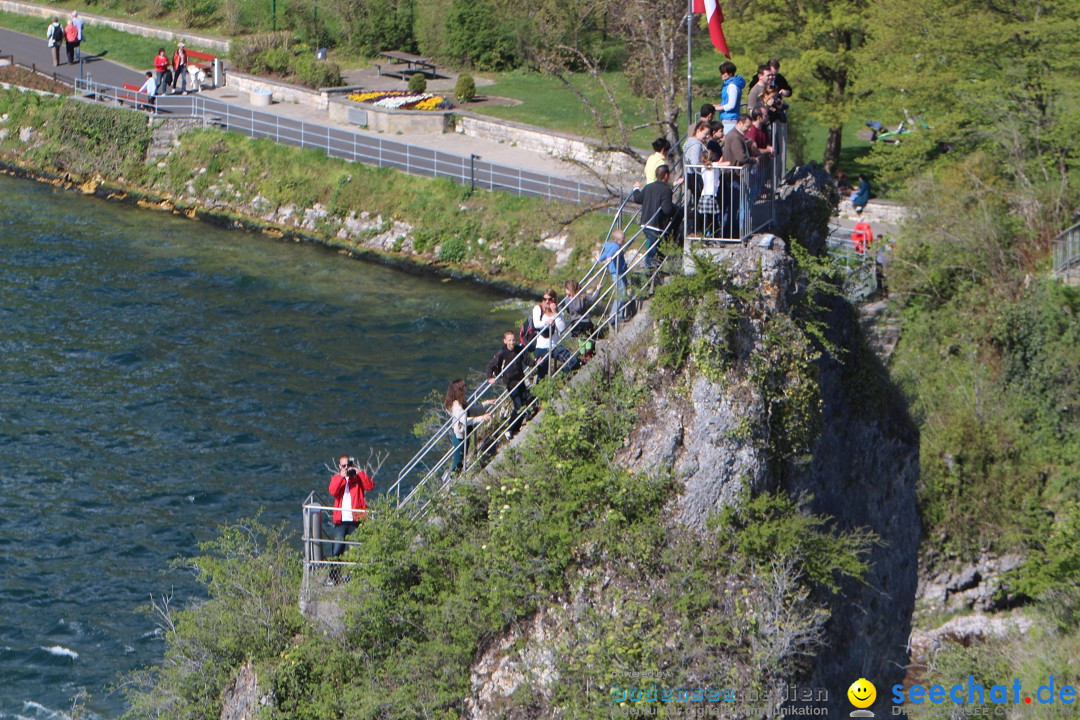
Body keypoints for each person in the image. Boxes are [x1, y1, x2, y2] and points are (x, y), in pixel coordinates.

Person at [486, 331, 532, 438]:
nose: (512, 342)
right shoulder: (502, 353)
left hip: (520, 379)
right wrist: (490, 377)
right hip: (510, 383)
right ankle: (510, 428)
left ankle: (516, 427)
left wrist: (535, 363)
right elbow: (491, 365)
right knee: (519, 406)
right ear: (505, 341)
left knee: (526, 401)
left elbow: (527, 359)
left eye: (513, 340)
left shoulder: (518, 350)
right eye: (510, 340)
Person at [630, 164, 676, 269]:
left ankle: (652, 268)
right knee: (653, 249)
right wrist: (675, 209)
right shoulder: (666, 190)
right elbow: (667, 210)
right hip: (656, 224)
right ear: (666, 176)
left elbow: (637, 199)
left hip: (645, 223)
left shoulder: (648, 187)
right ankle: (650, 269)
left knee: (652, 245)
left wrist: (636, 188)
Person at [327, 455, 373, 558]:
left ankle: (356, 572)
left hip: (356, 519)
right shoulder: (337, 478)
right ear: (340, 466)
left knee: (357, 549)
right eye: (344, 466)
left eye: (349, 465)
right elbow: (332, 491)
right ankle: (335, 573)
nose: (347, 468)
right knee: (337, 550)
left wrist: (359, 472)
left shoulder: (358, 478)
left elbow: (370, 486)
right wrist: (341, 477)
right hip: (341, 520)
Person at [444, 379, 491, 474]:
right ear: (460, 389)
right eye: (464, 385)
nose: (466, 386)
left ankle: (455, 477)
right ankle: (453, 480)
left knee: (460, 459)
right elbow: (465, 420)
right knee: (458, 462)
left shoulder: (460, 402)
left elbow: (471, 411)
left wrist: (487, 404)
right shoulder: (456, 406)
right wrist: (482, 418)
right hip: (460, 438)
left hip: (464, 435)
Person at [532, 291, 579, 380]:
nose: (547, 302)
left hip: (555, 345)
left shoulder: (558, 310)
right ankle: (540, 387)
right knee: (543, 367)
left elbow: (561, 328)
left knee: (573, 361)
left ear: (554, 300)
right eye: (544, 299)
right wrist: (546, 322)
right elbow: (536, 324)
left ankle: (558, 378)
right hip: (542, 346)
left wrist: (555, 313)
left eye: (549, 299)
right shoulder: (538, 309)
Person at [599, 230, 629, 320]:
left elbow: (604, 253)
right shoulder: (616, 246)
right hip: (617, 273)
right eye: (622, 239)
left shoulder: (612, 245)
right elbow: (609, 253)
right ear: (616, 240)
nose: (623, 241)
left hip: (618, 272)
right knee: (621, 294)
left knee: (621, 292)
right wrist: (609, 257)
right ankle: (615, 316)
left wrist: (600, 259)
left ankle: (618, 315)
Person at [717, 61, 746, 135]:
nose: (721, 75)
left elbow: (731, 105)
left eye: (723, 73)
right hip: (728, 119)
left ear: (730, 73)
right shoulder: (728, 85)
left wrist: (717, 108)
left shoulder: (732, 86)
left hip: (730, 120)